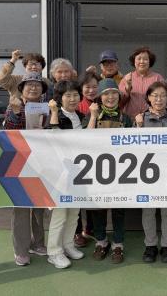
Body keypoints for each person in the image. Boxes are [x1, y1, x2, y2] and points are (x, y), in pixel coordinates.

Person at [84, 78, 133, 263]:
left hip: (120, 170)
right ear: (99, 97)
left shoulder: (125, 118)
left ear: (119, 96)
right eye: (106, 94)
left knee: (119, 208)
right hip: (96, 170)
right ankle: (101, 241)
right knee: (98, 208)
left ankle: (118, 244)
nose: (110, 97)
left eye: (114, 93)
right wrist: (93, 116)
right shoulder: (91, 115)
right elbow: (83, 140)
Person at [135, 82, 167, 264]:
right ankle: (150, 246)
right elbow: (131, 146)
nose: (159, 99)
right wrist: (138, 126)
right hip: (146, 174)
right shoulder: (141, 119)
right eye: (155, 95)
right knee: (148, 211)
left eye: (163, 95)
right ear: (148, 98)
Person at [2, 72, 48, 267]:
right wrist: (16, 112)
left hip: (41, 162)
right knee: (21, 208)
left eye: (37, 85)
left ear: (43, 90)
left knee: (39, 206)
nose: (33, 88)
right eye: (29, 85)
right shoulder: (13, 105)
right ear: (21, 89)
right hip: (18, 164)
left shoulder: (48, 107)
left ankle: (38, 243)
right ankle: (21, 250)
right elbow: (9, 131)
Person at [45, 80, 86, 269]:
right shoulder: (56, 115)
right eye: (67, 95)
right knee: (60, 213)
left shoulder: (81, 116)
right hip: (60, 173)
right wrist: (54, 112)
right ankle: (54, 252)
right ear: (59, 98)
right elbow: (51, 136)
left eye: (75, 95)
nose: (72, 99)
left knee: (74, 213)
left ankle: (68, 245)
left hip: (79, 171)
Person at [74, 70, 100, 247]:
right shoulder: (76, 104)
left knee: (92, 194)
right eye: (87, 87)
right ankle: (77, 233)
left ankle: (90, 229)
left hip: (97, 157)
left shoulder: (103, 101)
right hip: (78, 157)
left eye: (94, 87)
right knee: (77, 196)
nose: (91, 90)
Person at [119, 46, 164, 119]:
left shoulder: (157, 78)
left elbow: (164, 100)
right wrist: (127, 89)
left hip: (152, 119)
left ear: (150, 61)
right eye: (139, 59)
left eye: (145, 59)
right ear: (134, 61)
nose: (142, 61)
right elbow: (119, 103)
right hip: (129, 120)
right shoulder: (127, 78)